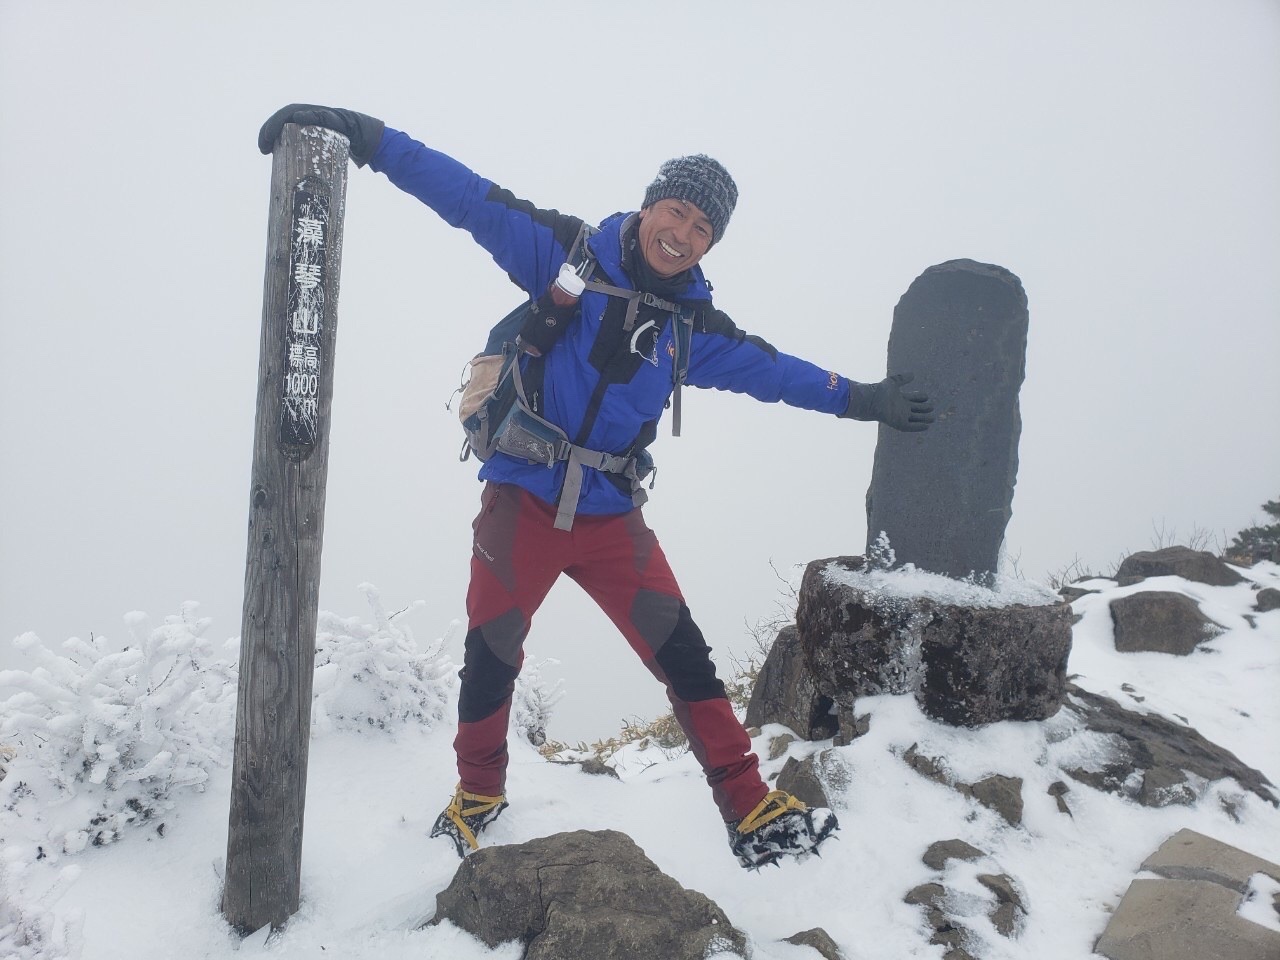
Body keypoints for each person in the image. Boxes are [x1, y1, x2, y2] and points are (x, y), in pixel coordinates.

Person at [259, 105, 935, 869]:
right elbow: (467, 197)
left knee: (685, 659)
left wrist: (866, 399)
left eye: (703, 229)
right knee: (492, 656)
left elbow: (778, 374)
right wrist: (371, 139)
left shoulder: (691, 327)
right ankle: (479, 794)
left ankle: (750, 808)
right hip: (521, 499)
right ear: (650, 204)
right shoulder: (564, 252)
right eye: (675, 211)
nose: (682, 234)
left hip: (612, 515)